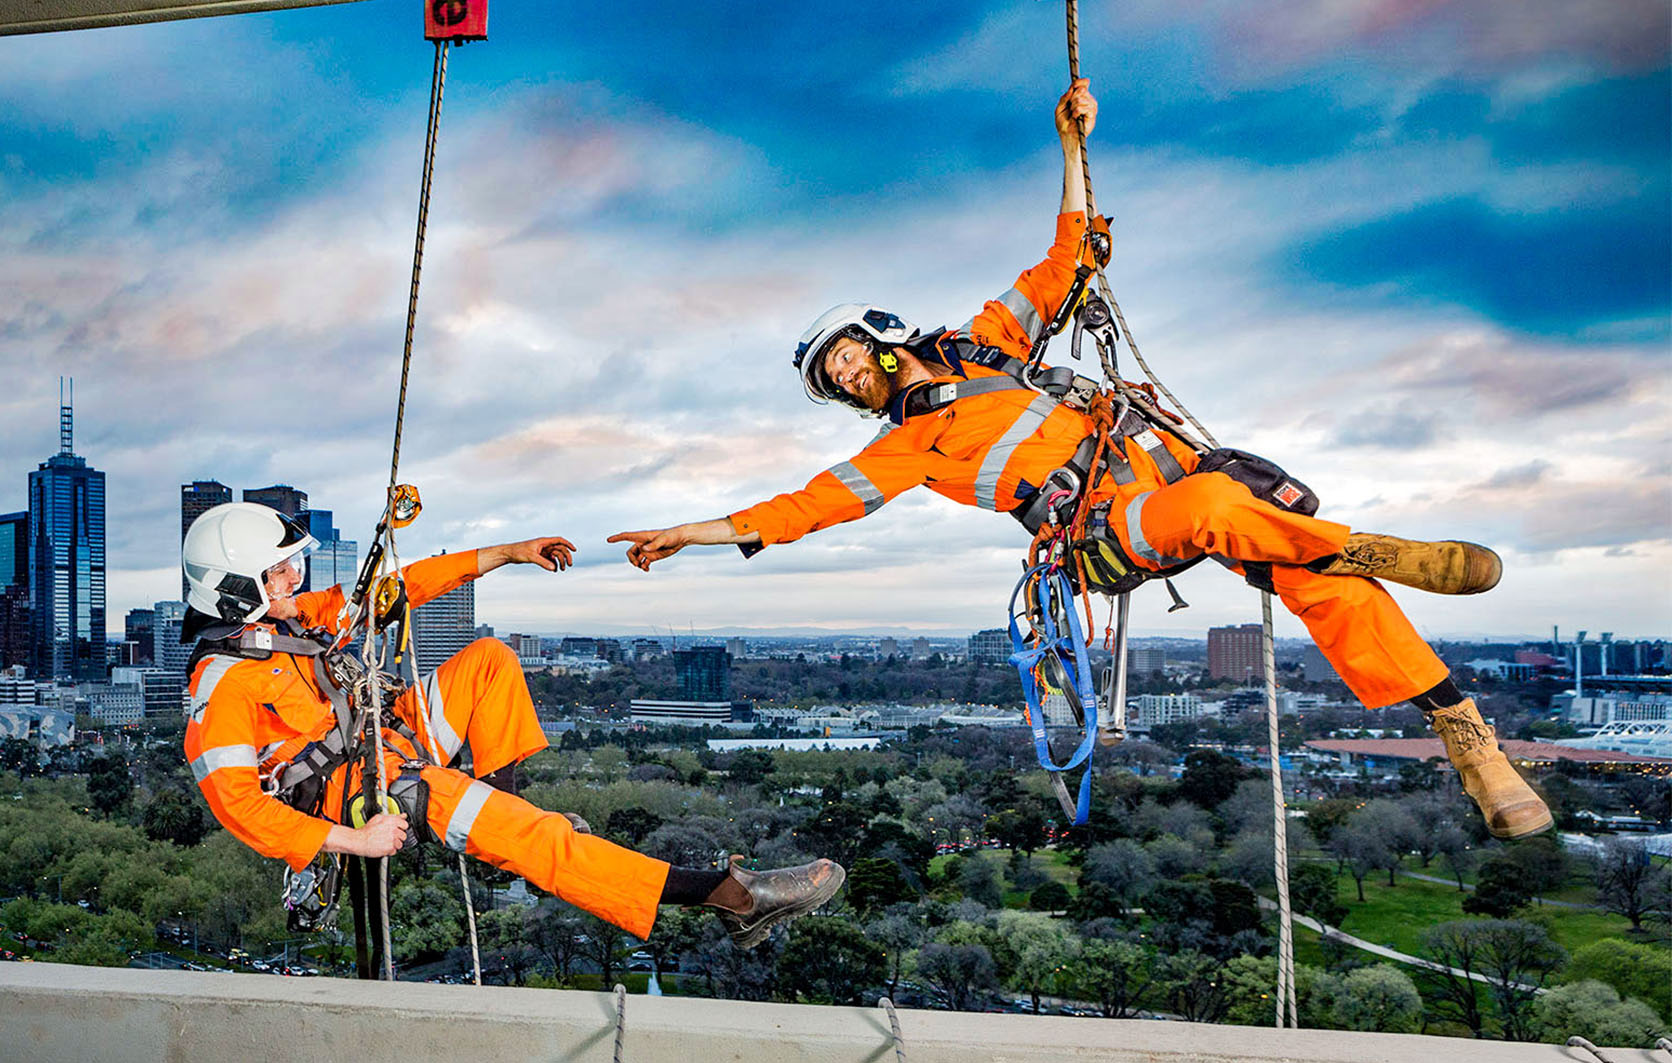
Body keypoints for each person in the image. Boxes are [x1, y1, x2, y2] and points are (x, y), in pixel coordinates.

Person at [608, 80, 1549, 841]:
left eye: (848, 354)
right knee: (1218, 509)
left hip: (1161, 457)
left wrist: (1069, 148)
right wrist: (689, 534)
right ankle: (1378, 545)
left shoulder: (985, 344)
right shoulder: (905, 448)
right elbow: (801, 507)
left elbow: (1065, 261)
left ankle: (1473, 747)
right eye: (836, 378)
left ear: (878, 336)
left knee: (1321, 580)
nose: (849, 375)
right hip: (1106, 524)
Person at [180, 501, 842, 947]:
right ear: (233, 584)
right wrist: (351, 842)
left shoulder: (298, 620)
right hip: (357, 793)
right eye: (279, 568)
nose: (297, 575)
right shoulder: (221, 680)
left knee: (491, 658)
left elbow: (403, 585)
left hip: (386, 734)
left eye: (295, 562)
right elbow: (238, 805)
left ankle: (506, 812)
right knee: (541, 839)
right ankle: (730, 895)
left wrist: (509, 551)